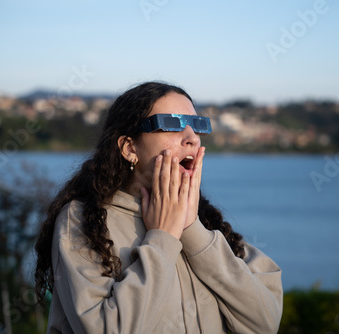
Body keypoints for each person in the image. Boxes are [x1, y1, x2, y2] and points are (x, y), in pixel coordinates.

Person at [34, 82, 283, 333]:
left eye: (197, 126)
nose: (192, 139)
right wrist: (162, 238)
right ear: (130, 148)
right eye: (171, 124)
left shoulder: (206, 223)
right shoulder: (83, 220)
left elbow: (265, 322)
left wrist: (191, 229)